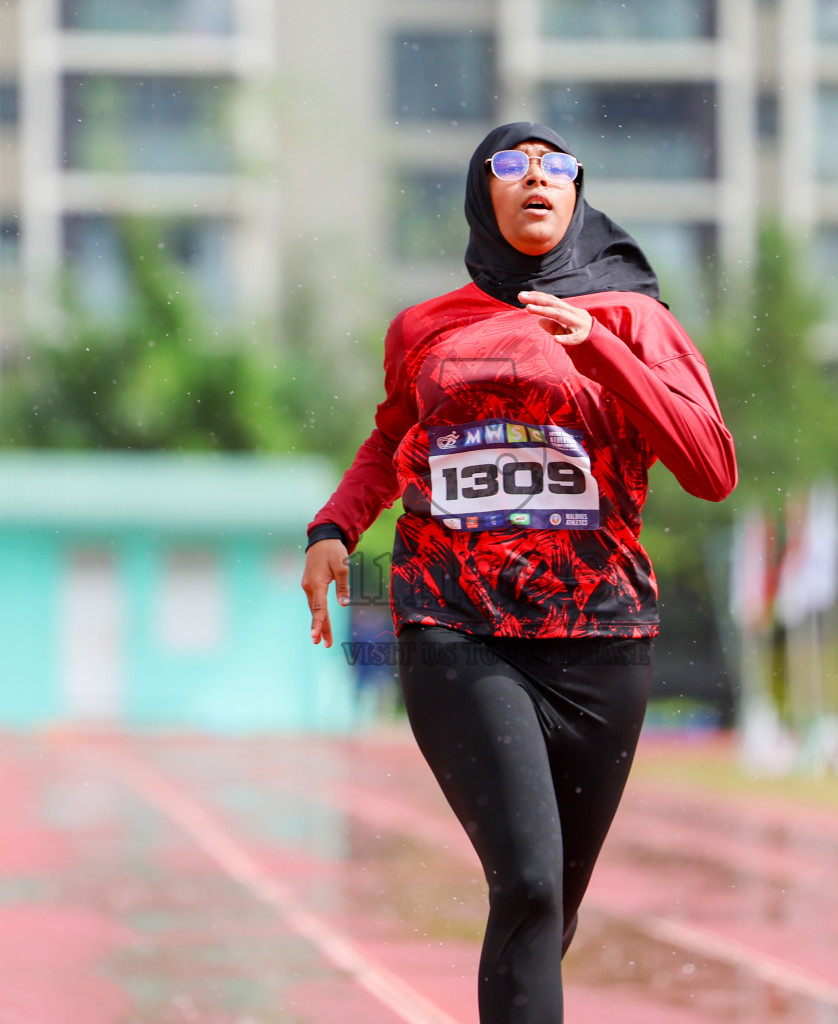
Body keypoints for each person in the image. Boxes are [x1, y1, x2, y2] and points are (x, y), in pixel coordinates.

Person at [300, 121, 736, 1023]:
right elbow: (390, 439)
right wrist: (336, 524)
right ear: (480, 194)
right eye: (511, 163)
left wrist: (602, 352)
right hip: (454, 626)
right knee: (529, 881)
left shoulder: (636, 320)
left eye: (554, 165)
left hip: (600, 642)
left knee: (547, 911)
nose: (534, 176)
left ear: (578, 193)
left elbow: (711, 468)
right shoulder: (424, 329)